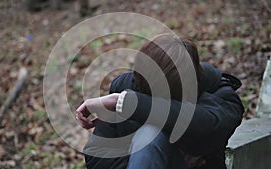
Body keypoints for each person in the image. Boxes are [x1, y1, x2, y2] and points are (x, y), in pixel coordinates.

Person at [76, 34, 244, 169]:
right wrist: (144, 157)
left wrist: (127, 103)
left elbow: (208, 124)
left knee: (150, 134)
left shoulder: (221, 96)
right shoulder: (131, 86)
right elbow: (96, 156)